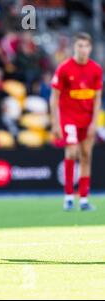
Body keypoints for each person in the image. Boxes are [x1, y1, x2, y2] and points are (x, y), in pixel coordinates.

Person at [50, 32, 103, 211]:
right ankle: (68, 197)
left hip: (87, 119)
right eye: (80, 46)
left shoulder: (96, 69)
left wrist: (94, 122)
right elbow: (54, 97)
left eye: (86, 46)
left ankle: (84, 200)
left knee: (86, 156)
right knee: (72, 152)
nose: (83, 49)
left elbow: (97, 99)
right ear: (75, 47)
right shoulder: (64, 68)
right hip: (69, 118)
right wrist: (55, 123)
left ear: (90, 48)